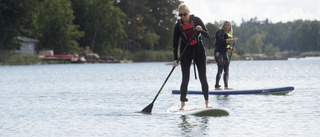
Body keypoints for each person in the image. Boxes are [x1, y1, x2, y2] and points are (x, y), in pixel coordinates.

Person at [172, 4, 211, 110]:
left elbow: (207, 35)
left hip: (199, 50)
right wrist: (175, 58)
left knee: (203, 77)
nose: (183, 17)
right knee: (185, 78)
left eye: (184, 14)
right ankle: (182, 105)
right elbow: (175, 44)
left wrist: (201, 30)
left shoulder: (197, 20)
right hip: (185, 51)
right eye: (180, 15)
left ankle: (207, 103)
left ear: (189, 13)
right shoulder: (178, 26)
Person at [214, 21, 238, 90]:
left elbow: (225, 45)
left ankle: (226, 86)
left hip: (224, 53)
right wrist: (232, 40)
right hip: (218, 53)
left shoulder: (228, 33)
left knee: (226, 69)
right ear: (224, 26)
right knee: (220, 68)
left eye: (229, 25)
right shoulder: (220, 32)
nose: (227, 26)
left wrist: (230, 48)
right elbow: (221, 41)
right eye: (226, 25)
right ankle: (216, 86)